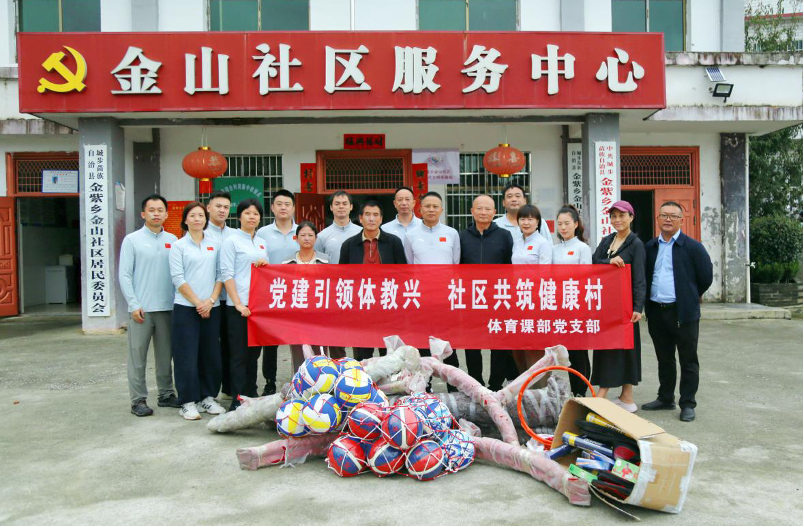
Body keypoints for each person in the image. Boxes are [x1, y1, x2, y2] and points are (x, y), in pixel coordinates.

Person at [642, 201, 713, 422]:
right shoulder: (650, 247)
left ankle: (688, 403)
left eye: (673, 216)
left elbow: (705, 277)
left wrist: (688, 296)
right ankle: (665, 398)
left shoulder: (693, 247)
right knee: (664, 358)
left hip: (683, 313)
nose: (668, 219)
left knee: (688, 360)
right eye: (664, 215)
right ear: (657, 219)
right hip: (656, 311)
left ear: (681, 220)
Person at [119, 194, 179, 417]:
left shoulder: (173, 240)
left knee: (165, 356)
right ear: (143, 214)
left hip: (167, 308)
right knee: (138, 357)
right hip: (141, 310)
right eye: (151, 210)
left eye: (160, 210)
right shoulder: (132, 240)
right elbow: (125, 274)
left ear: (166, 214)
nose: (156, 214)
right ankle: (138, 400)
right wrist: (133, 304)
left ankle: (166, 394)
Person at [169, 202, 226, 420]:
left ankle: (207, 397)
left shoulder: (215, 244)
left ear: (206, 219)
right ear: (185, 220)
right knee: (186, 355)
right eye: (192, 216)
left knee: (210, 354)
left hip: (212, 307)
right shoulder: (179, 246)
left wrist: (210, 301)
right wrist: (198, 303)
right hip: (186, 308)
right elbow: (178, 278)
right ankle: (187, 401)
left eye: (201, 215)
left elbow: (221, 274)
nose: (197, 219)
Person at [591, 201, 646, 413]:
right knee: (608, 347)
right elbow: (594, 263)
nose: (617, 220)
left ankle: (602, 395)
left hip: (625, 306)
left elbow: (639, 277)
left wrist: (638, 307)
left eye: (622, 216)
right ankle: (626, 397)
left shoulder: (636, 244)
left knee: (625, 349)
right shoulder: (608, 240)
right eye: (613, 216)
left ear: (631, 217)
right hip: (606, 304)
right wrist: (609, 262)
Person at [403, 191, 461, 388]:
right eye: (427, 206)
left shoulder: (451, 233)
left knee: (448, 345)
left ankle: (454, 387)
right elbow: (409, 264)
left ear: (441, 210)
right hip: (421, 299)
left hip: (445, 298)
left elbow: (455, 264)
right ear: (420, 209)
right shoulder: (410, 235)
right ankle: (424, 388)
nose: (431, 210)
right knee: (422, 344)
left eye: (435, 206)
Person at [459, 194, 517, 391]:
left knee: (498, 342)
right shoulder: (462, 236)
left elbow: (510, 266)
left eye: (487, 209)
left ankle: (495, 384)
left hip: (498, 298)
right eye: (479, 208)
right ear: (472, 211)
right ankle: (475, 382)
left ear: (494, 212)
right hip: (471, 298)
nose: (483, 212)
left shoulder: (504, 236)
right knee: (472, 343)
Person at [339, 200, 407, 360]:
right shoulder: (349, 245)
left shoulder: (393, 242)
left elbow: (403, 274)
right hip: (361, 307)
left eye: (375, 215)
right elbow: (342, 278)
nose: (371, 218)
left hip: (387, 305)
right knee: (362, 355)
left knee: (389, 355)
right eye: (367, 215)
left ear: (381, 219)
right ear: (360, 218)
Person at [219, 198, 270, 412]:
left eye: (256, 214)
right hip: (237, 306)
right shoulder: (231, 241)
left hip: (257, 306)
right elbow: (227, 274)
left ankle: (251, 392)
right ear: (239, 216)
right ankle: (238, 398)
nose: (252, 217)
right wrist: (238, 304)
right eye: (248, 213)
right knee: (238, 354)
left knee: (253, 354)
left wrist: (265, 265)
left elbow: (266, 274)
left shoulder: (261, 242)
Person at [256, 189, 299, 396]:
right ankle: (270, 381)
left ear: (293, 208)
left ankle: (301, 377)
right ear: (272, 208)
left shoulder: (303, 231)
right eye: (279, 204)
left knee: (299, 338)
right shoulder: (262, 233)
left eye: (287, 204)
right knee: (270, 342)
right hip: (272, 293)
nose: (283, 208)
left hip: (298, 293)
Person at [315, 190, 362, 360]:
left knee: (359, 334)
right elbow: (318, 265)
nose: (341, 207)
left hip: (358, 290)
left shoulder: (362, 232)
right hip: (334, 291)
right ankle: (337, 366)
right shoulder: (322, 236)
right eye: (337, 204)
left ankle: (359, 368)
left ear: (351, 207)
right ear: (331, 207)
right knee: (336, 335)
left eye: (344, 204)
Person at [552, 204, 593, 397]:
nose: (563, 227)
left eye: (567, 223)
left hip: (576, 304)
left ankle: (580, 391)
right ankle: (571, 389)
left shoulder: (582, 248)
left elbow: (585, 278)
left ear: (576, 224)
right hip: (558, 305)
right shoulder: (554, 249)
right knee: (565, 350)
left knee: (579, 350)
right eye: (560, 223)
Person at [510, 204, 552, 372]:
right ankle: (523, 381)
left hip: (535, 299)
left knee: (535, 343)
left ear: (538, 222)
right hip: (518, 298)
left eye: (530, 219)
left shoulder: (543, 243)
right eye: (522, 219)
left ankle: (540, 383)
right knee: (518, 342)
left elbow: (545, 273)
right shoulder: (517, 242)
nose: (526, 223)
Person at [283, 221, 329, 372]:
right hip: (296, 315)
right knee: (298, 351)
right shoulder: (287, 262)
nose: (307, 238)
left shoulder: (326, 261)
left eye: (310, 235)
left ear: (316, 238)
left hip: (319, 314)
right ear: (296, 238)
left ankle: (323, 379)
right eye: (303, 235)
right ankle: (299, 380)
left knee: (320, 350)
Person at [205, 190, 236, 399]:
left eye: (226, 207)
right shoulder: (200, 233)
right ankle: (209, 391)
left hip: (232, 300)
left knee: (231, 345)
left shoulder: (235, 235)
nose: (222, 210)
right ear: (208, 207)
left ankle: (228, 388)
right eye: (218, 206)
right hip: (209, 301)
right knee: (211, 348)